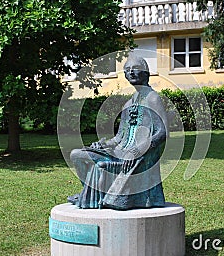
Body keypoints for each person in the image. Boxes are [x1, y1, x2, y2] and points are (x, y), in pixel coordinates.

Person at [68, 55, 168, 210]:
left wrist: (137, 150)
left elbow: (163, 132)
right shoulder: (129, 103)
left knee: (100, 165)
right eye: (127, 70)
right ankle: (89, 194)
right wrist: (103, 144)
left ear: (146, 73)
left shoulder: (153, 98)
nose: (131, 73)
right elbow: (119, 137)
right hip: (119, 152)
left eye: (136, 69)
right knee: (76, 155)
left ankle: (90, 197)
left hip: (139, 157)